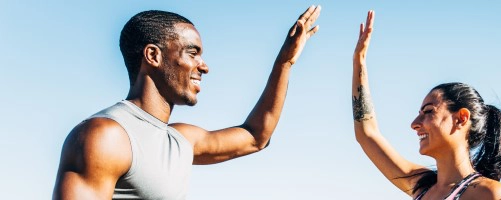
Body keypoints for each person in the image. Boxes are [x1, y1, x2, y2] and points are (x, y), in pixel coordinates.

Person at [53, 6, 321, 199]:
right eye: (192, 53)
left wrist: (284, 63)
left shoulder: (180, 140)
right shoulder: (104, 137)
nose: (204, 66)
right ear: (153, 56)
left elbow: (255, 136)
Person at [351, 11, 501, 200]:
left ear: (461, 118)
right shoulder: (422, 187)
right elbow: (367, 134)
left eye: (428, 111)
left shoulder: (489, 193)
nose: (415, 123)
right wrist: (359, 63)